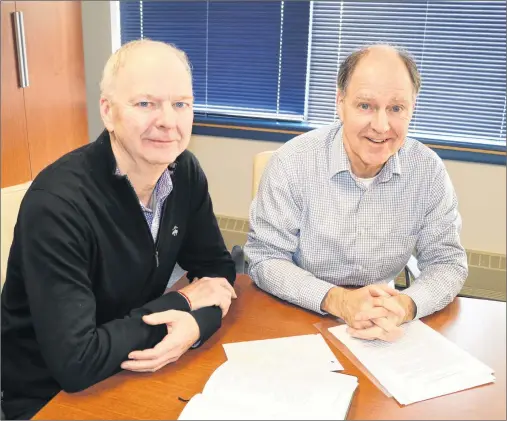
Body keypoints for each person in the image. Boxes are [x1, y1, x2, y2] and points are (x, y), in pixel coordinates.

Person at [1, 39, 236, 420]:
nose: (168, 121)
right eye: (145, 103)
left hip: (134, 364)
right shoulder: (58, 205)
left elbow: (218, 273)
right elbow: (76, 362)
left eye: (181, 103)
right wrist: (184, 303)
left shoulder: (184, 171)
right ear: (108, 113)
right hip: (52, 396)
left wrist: (196, 325)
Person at [245, 44, 468, 343]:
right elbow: (266, 257)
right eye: (365, 106)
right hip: (299, 309)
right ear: (340, 103)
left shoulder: (428, 172)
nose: (381, 126)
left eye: (396, 108)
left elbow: (447, 262)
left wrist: (405, 304)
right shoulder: (293, 162)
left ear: (412, 108)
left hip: (381, 317)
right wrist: (338, 301)